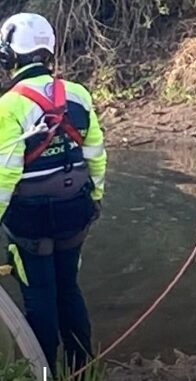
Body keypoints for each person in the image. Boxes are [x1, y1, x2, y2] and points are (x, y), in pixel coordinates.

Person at [0, 12, 107, 375]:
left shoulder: (8, 106)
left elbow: (5, 175)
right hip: (76, 212)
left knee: (38, 296)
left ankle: (43, 370)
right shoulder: (78, 94)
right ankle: (83, 368)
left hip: (29, 220)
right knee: (68, 287)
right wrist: (96, 197)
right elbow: (95, 154)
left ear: (9, 56)